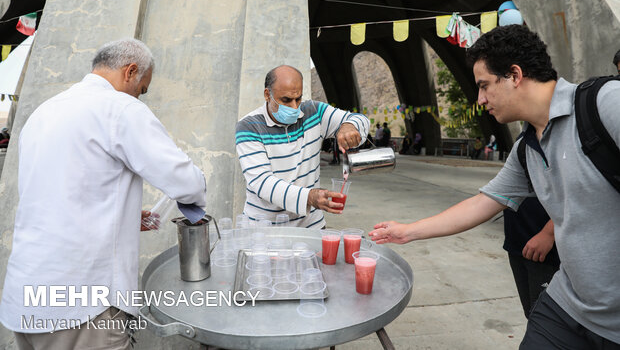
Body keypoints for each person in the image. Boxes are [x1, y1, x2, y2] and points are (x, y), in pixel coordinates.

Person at [370, 25, 620, 348]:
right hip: (568, 307)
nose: (480, 99)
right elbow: (484, 202)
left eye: (484, 85)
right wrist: (408, 231)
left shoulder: (604, 105)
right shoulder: (527, 148)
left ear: (514, 75)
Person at [0, 39, 207, 349]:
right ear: (131, 71)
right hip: (81, 306)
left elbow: (57, 193)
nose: (141, 97)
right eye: (143, 88)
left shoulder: (45, 111)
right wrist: (196, 195)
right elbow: (185, 181)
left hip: (25, 300)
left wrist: (119, 213)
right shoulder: (119, 108)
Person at [235, 65, 369, 228]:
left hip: (311, 226)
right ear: (267, 95)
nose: (294, 107)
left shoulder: (314, 112)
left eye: (298, 99)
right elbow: (262, 182)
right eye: (286, 100)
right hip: (264, 230)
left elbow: (359, 119)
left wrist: (349, 126)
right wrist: (309, 197)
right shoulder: (249, 126)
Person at [503, 198, 560, 319]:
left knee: (545, 317)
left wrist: (549, 233)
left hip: (547, 250)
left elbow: (582, 196)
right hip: (518, 238)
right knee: (531, 313)